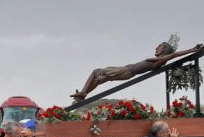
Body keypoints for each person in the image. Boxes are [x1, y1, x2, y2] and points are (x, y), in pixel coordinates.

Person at [71, 43, 204, 101]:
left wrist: (192, 50)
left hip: (126, 71)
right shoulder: (158, 60)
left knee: (96, 71)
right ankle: (84, 94)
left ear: (164, 51)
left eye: (159, 46)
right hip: (125, 70)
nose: (156, 47)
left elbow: (174, 55)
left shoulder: (161, 60)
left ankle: (83, 92)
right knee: (99, 78)